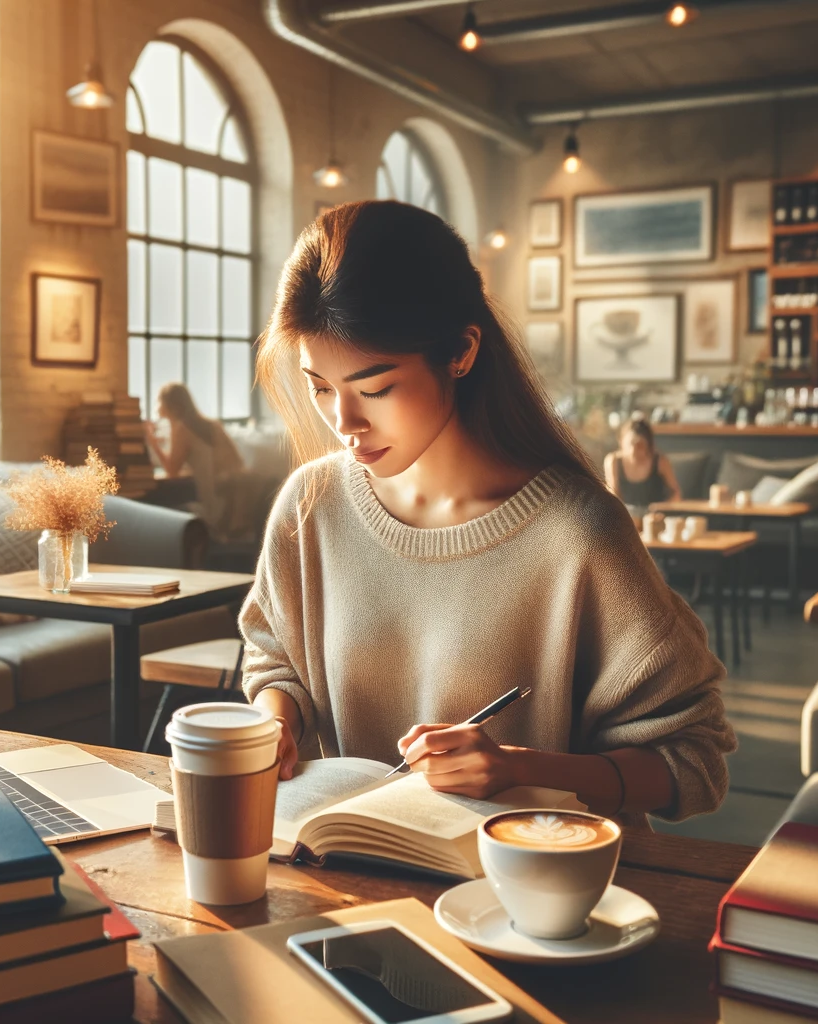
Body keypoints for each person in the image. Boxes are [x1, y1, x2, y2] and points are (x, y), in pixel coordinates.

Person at [240, 201, 735, 824]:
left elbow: (694, 760)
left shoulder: (578, 534)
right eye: (320, 387)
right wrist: (274, 724)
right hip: (350, 885)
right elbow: (276, 662)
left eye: (375, 388)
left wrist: (519, 770)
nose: (344, 423)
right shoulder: (310, 507)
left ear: (462, 352)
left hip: (534, 898)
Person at [146, 382, 245, 534]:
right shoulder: (212, 425)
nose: (157, 406)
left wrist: (153, 443)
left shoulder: (181, 428)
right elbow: (235, 462)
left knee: (156, 512)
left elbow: (172, 471)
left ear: (172, 405)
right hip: (231, 508)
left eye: (159, 401)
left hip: (210, 509)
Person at [604, 416, 681, 512]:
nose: (633, 451)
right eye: (630, 444)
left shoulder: (660, 461)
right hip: (626, 516)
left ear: (648, 446)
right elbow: (612, 495)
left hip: (655, 517)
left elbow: (676, 493)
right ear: (621, 442)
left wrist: (664, 508)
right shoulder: (613, 461)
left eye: (639, 445)